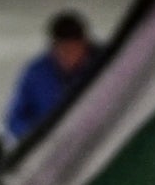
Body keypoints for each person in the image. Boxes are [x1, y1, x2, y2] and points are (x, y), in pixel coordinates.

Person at [6, 8, 94, 143]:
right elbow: (15, 119)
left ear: (85, 45)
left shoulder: (103, 64)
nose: (69, 57)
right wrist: (36, 135)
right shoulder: (36, 72)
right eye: (63, 51)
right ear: (53, 48)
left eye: (74, 50)